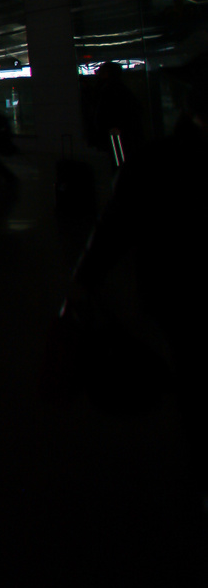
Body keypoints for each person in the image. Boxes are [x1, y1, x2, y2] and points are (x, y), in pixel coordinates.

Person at [68, 56, 208, 519]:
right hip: (180, 293)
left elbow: (114, 229)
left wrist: (84, 282)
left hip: (181, 292)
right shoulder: (152, 156)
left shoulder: (155, 162)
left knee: (195, 376)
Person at [87, 61, 145, 170]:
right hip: (117, 133)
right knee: (119, 160)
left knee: (118, 160)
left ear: (107, 73)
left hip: (116, 134)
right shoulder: (116, 88)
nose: (98, 73)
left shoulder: (110, 89)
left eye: (102, 71)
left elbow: (109, 111)